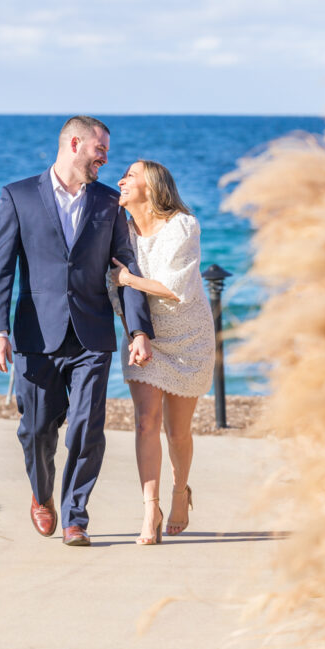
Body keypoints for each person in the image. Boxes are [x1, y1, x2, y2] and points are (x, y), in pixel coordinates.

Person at [0, 117, 154, 546]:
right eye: (101, 149)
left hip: (92, 336)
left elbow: (125, 271)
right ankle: (42, 496)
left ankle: (76, 516)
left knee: (86, 426)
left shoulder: (109, 203)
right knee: (37, 429)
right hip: (35, 336)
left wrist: (137, 331)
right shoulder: (18, 196)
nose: (105, 158)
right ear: (75, 143)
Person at [108, 160, 215, 545]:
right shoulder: (120, 231)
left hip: (188, 339)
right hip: (146, 338)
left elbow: (174, 287)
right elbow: (116, 292)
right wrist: (134, 333)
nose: (121, 181)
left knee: (177, 431)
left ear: (151, 188)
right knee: (145, 422)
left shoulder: (183, 226)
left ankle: (179, 491)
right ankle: (150, 508)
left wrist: (130, 278)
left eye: (130, 176)